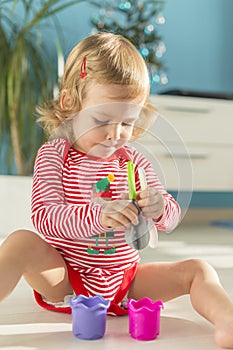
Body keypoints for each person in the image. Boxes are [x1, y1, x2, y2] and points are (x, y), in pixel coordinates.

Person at [0, 32, 232, 348]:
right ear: (70, 104)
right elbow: (46, 217)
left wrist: (159, 207)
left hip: (125, 281)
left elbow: (169, 217)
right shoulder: (55, 154)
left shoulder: (134, 161)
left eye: (127, 123)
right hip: (67, 278)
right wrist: (99, 215)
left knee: (197, 270)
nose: (115, 134)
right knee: (20, 243)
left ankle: (227, 321)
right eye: (102, 119)